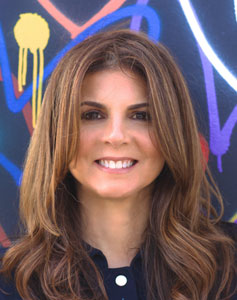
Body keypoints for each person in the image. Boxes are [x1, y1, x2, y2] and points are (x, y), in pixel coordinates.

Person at [0, 29, 237, 300]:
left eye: (141, 115)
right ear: (57, 133)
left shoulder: (228, 266)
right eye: (92, 115)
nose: (116, 136)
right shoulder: (12, 282)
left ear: (173, 131)